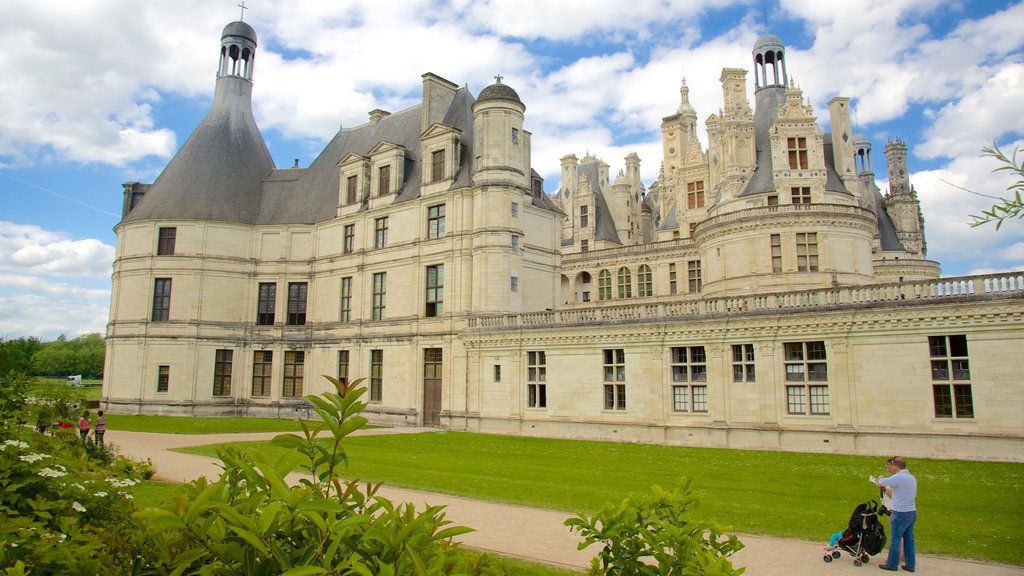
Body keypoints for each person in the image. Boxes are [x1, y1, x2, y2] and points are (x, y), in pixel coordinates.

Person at [875, 456, 917, 572]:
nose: (889, 468)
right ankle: (910, 565)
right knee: (909, 540)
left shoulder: (899, 477)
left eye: (891, 465)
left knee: (895, 539)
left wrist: (879, 480)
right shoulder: (911, 478)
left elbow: (882, 483)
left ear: (896, 466)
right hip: (912, 512)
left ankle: (892, 564)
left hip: (900, 513)